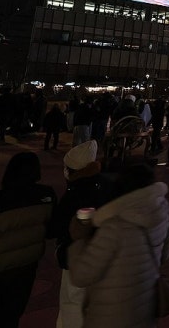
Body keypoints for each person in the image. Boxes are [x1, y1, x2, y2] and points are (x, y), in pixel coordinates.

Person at [68, 162, 169, 328]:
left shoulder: (114, 227)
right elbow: (164, 254)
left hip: (110, 317)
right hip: (145, 310)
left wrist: (79, 239)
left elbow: (81, 275)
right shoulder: (160, 211)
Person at [46, 140, 113, 328]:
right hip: (103, 254)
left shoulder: (75, 193)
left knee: (72, 303)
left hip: (76, 256)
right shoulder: (106, 184)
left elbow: (55, 227)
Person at [0, 151, 57, 328]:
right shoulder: (46, 195)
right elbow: (51, 230)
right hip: (27, 266)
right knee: (13, 313)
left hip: (1, 267)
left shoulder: (1, 200)